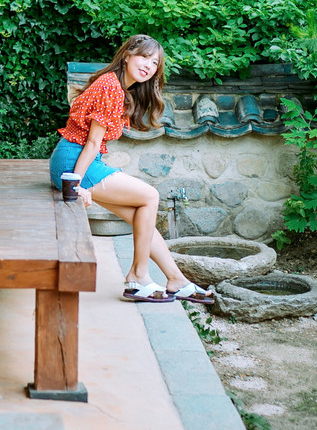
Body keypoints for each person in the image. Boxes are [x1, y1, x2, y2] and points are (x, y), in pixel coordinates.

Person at [49, 35, 213, 304]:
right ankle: (138, 277)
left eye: (155, 63)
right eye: (144, 57)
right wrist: (75, 185)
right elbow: (91, 143)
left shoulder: (119, 87)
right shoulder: (110, 86)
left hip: (78, 159)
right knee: (149, 196)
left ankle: (176, 279)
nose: (148, 65)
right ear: (127, 55)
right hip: (75, 161)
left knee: (141, 215)